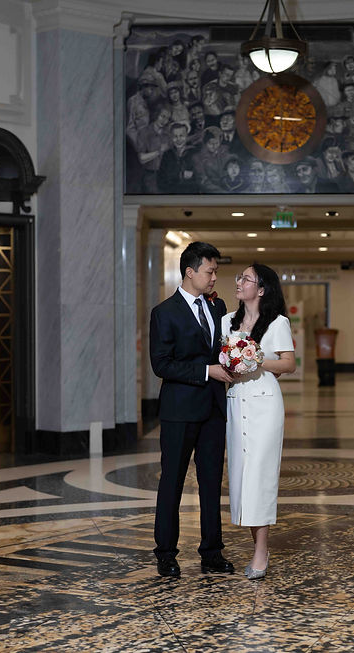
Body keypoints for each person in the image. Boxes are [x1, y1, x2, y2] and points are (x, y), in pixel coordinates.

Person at [149, 241, 235, 578]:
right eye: (210, 271)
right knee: (172, 482)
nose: (214, 278)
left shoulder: (218, 307)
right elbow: (161, 364)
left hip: (213, 409)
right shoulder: (164, 312)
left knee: (212, 482)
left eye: (216, 272)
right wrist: (206, 371)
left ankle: (212, 551)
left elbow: (222, 349)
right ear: (190, 272)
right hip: (179, 410)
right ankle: (166, 554)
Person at [223, 264, 296, 579]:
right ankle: (258, 544)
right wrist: (231, 362)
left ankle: (261, 550)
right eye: (239, 277)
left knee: (259, 476)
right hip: (236, 400)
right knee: (241, 477)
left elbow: (289, 364)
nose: (239, 282)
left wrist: (256, 357)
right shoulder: (227, 321)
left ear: (262, 289)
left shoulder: (278, 323)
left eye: (246, 278)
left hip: (266, 404)